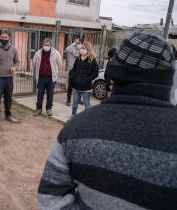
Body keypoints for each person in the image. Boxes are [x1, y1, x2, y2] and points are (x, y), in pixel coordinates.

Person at [38, 33, 177, 210]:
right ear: (169, 79)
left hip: (85, 89)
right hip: (78, 87)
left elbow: (49, 197)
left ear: (113, 75)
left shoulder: (76, 128)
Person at [33, 38, 62, 117]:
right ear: (42, 45)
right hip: (41, 77)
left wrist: (57, 74)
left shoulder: (56, 53)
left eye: (48, 45)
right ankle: (38, 108)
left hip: (51, 78)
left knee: (50, 93)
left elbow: (59, 64)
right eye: (45, 45)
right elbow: (34, 63)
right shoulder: (38, 53)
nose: (46, 46)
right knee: (40, 93)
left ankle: (49, 109)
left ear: (51, 45)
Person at [69, 41, 99, 116]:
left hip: (86, 87)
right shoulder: (78, 58)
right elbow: (73, 69)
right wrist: (73, 78)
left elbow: (95, 73)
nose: (82, 49)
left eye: (84, 48)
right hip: (76, 86)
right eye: (82, 48)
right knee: (75, 103)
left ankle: (86, 119)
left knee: (87, 104)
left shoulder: (92, 59)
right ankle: (73, 117)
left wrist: (87, 80)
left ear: (88, 49)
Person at [66, 35, 82, 106]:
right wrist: (74, 43)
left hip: (80, 70)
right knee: (70, 85)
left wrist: (80, 46)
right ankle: (68, 100)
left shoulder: (81, 49)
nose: (77, 41)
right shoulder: (71, 48)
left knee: (79, 85)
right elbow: (67, 49)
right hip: (72, 70)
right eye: (76, 39)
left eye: (78, 40)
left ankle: (79, 99)